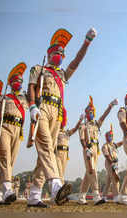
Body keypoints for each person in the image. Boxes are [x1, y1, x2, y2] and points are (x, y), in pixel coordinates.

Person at [27, 28, 97, 208]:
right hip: (42, 108)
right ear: (49, 54)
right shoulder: (38, 69)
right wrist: (33, 106)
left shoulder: (62, 74)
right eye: (57, 52)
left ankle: (34, 195)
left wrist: (87, 42)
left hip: (56, 113)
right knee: (46, 146)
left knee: (45, 153)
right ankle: (56, 186)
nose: (60, 55)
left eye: (62, 53)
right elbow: (32, 88)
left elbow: (77, 61)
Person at [0, 62, 28, 205]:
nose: (19, 83)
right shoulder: (4, 98)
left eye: (20, 81)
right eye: (16, 81)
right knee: (5, 159)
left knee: (9, 163)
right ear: (11, 83)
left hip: (18, 130)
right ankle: (8, 189)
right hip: (4, 128)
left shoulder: (24, 98)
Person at [77, 96, 118, 205]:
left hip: (96, 149)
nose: (91, 113)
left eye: (92, 111)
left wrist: (110, 106)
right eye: (89, 112)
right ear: (86, 113)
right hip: (88, 149)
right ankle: (96, 195)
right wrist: (86, 149)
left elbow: (104, 116)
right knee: (93, 171)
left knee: (88, 172)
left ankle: (81, 197)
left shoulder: (96, 124)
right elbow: (82, 139)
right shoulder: (83, 125)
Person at [101, 124, 123, 203]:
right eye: (108, 136)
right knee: (115, 179)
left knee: (109, 180)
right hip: (110, 163)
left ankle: (103, 196)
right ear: (106, 137)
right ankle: (116, 196)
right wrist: (112, 165)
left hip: (115, 163)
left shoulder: (113, 145)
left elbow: (119, 144)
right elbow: (107, 156)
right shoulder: (105, 146)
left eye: (111, 135)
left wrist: (125, 139)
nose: (110, 137)